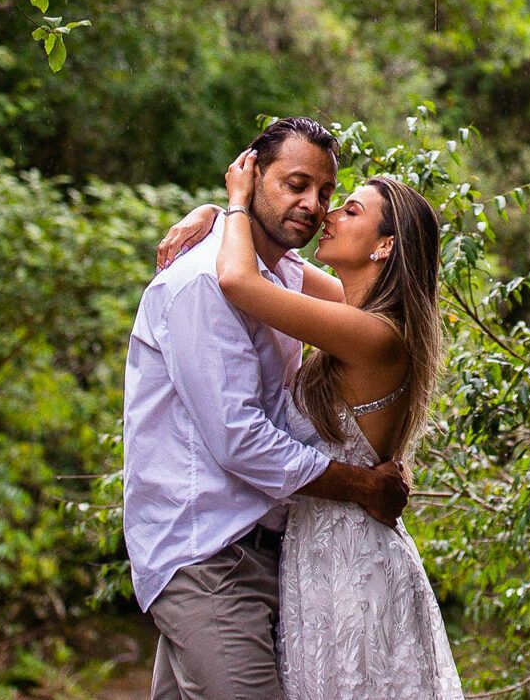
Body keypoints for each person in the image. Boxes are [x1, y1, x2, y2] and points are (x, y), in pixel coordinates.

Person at [124, 116, 411, 700]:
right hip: (207, 554)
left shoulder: (281, 274)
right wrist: (360, 485)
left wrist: (220, 211)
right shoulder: (205, 283)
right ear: (251, 173)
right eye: (295, 184)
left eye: (328, 194)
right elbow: (240, 439)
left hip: (271, 549)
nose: (314, 205)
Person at [160, 152, 466, 700]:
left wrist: (234, 199)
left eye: (348, 210)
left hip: (351, 558)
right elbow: (271, 262)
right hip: (314, 553)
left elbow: (238, 279)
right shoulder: (350, 309)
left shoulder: (374, 335)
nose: (328, 215)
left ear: (385, 245)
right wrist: (213, 214)